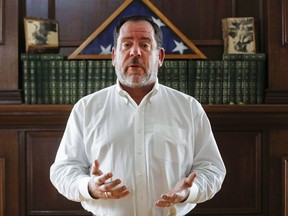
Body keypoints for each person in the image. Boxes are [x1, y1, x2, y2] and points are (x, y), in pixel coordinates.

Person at [50, 15, 226, 216]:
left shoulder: (188, 108)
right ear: (114, 56)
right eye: (126, 45)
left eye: (144, 44)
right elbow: (63, 170)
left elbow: (212, 169)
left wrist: (190, 191)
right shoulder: (86, 108)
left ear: (159, 57)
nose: (135, 52)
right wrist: (90, 187)